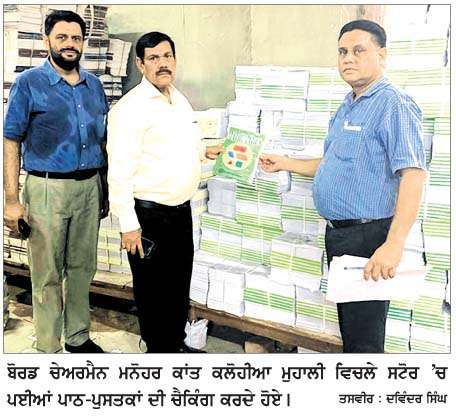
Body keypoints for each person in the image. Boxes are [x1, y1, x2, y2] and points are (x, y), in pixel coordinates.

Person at [260, 19, 426, 353]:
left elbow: (413, 175)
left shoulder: (392, 104)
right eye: (342, 51)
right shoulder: (349, 104)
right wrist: (286, 162)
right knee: (351, 328)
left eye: (358, 50)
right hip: (341, 235)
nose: (348, 58)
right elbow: (333, 163)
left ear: (382, 55)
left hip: (368, 238)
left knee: (364, 339)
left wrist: (394, 244)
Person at [107, 32, 222, 353]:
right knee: (153, 291)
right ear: (140, 64)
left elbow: (178, 146)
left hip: (180, 212)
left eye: (167, 56)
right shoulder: (129, 109)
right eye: (153, 58)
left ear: (175, 59)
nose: (162, 64)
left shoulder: (178, 100)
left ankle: (175, 344)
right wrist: (128, 225)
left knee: (177, 285)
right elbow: (119, 171)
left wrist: (205, 152)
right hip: (148, 217)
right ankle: (159, 352)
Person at [3, 10, 109, 353]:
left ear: (84, 42)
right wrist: (11, 201)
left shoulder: (94, 86)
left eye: (76, 38)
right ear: (46, 40)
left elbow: (102, 142)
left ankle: (78, 337)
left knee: (82, 268)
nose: (69, 44)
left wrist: (104, 188)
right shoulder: (29, 83)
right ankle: (48, 346)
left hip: (89, 187)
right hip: (47, 188)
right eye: (61, 37)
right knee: (47, 272)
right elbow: (11, 141)